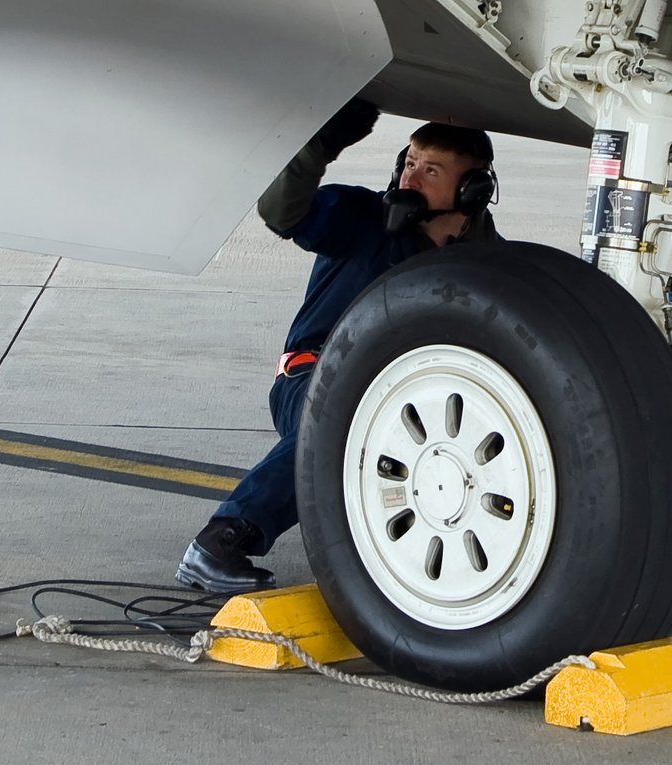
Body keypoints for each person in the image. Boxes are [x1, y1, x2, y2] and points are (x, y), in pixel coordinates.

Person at [176, 99, 501, 592]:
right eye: (409, 163)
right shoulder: (362, 217)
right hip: (315, 376)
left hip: (412, 398)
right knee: (342, 423)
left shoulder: (486, 262)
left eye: (430, 170)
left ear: (472, 189)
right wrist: (323, 143)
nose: (410, 179)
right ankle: (220, 541)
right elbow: (281, 210)